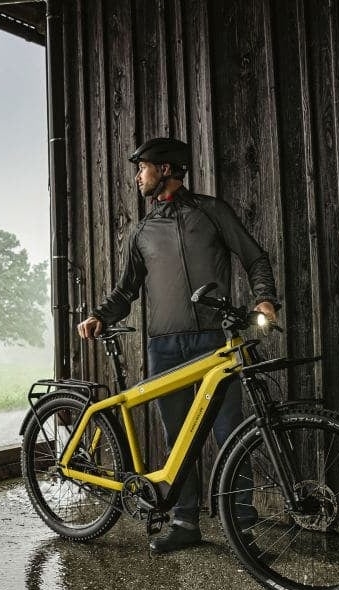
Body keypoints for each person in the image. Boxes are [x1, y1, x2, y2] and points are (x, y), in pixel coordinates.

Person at [76, 137, 280, 554]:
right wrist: (100, 315)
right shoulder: (142, 231)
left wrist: (264, 299)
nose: (138, 176)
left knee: (232, 435)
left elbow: (255, 257)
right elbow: (126, 291)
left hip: (214, 340)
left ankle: (242, 527)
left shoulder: (212, 212)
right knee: (179, 440)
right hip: (164, 347)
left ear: (165, 169)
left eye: (143, 168)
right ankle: (185, 522)